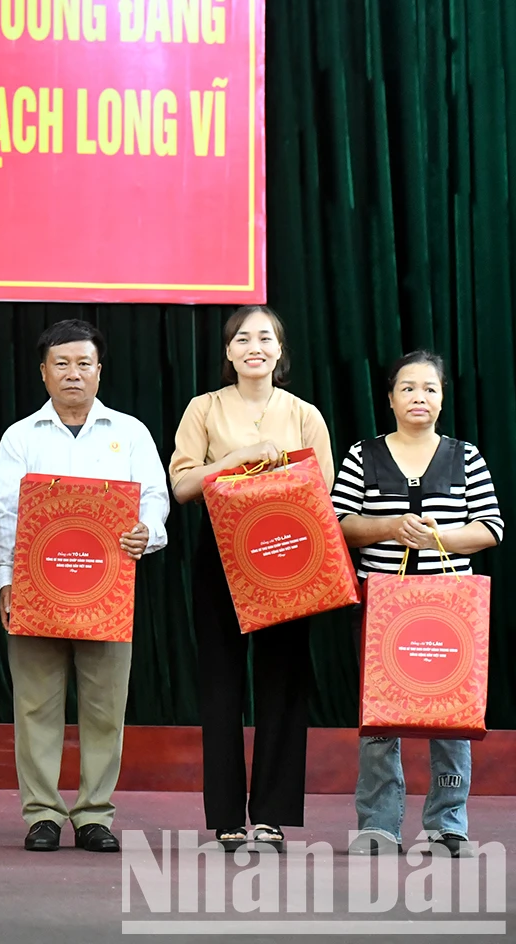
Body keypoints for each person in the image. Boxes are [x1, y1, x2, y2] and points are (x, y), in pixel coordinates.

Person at [0, 318, 169, 853]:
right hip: (35, 590)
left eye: (83, 363)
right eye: (61, 364)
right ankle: (42, 813)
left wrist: (148, 532)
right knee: (36, 706)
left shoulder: (129, 432)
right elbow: (6, 515)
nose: (73, 373)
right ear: (43, 372)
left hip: (108, 593)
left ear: (99, 370)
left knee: (104, 708)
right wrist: (5, 581)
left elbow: (154, 498)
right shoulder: (20, 437)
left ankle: (94, 814)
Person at [167, 305, 332, 852]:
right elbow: (183, 486)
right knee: (222, 685)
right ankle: (227, 818)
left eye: (266, 337)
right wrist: (239, 459)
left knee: (283, 685)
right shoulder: (204, 408)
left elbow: (322, 493)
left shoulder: (305, 413)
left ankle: (272, 814)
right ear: (229, 352)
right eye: (242, 338)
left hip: (288, 554)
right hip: (221, 551)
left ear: (280, 351)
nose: (254, 346)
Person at [333, 352, 502, 857]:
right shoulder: (362, 455)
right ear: (389, 399)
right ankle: (379, 824)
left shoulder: (465, 455)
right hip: (382, 606)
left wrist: (440, 538)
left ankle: (448, 823)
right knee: (381, 717)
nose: (419, 398)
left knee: (452, 716)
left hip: (450, 608)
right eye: (408, 389)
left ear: (443, 396)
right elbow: (340, 525)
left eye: (429, 389)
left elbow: (490, 528)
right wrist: (387, 528)